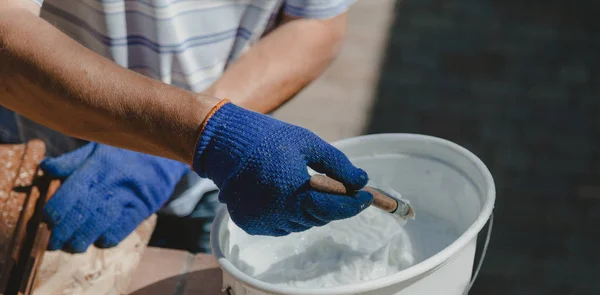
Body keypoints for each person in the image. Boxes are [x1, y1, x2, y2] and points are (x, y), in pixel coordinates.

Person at [0, 0, 373, 253]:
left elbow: (317, 23)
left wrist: (198, 136)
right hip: (53, 170)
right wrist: (197, 133)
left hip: (215, 181)